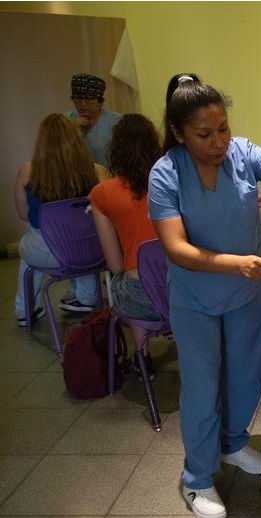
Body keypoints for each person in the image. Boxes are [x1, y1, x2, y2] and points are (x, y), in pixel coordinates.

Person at [148, 73, 261, 518]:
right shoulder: (166, 173)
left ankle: (233, 442)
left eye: (222, 128)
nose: (218, 142)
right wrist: (235, 263)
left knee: (243, 374)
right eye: (205, 134)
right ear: (180, 133)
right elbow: (176, 248)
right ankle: (197, 477)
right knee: (202, 386)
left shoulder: (242, 153)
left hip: (246, 291)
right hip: (196, 297)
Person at [13, 114, 108, 325]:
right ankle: (87, 298)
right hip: (91, 252)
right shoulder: (98, 172)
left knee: (28, 250)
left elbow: (23, 214)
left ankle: (26, 310)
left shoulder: (27, 171)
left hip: (46, 252)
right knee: (84, 234)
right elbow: (108, 213)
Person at [88, 114, 163, 378]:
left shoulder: (102, 194)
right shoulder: (171, 182)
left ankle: (143, 358)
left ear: (115, 149)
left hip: (143, 299)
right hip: (185, 292)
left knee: (125, 280)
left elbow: (115, 264)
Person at [65, 74, 121, 168]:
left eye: (89, 100)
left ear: (100, 102)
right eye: (78, 99)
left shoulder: (116, 122)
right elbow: (58, 153)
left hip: (107, 178)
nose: (83, 104)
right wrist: (73, 128)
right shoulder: (66, 119)